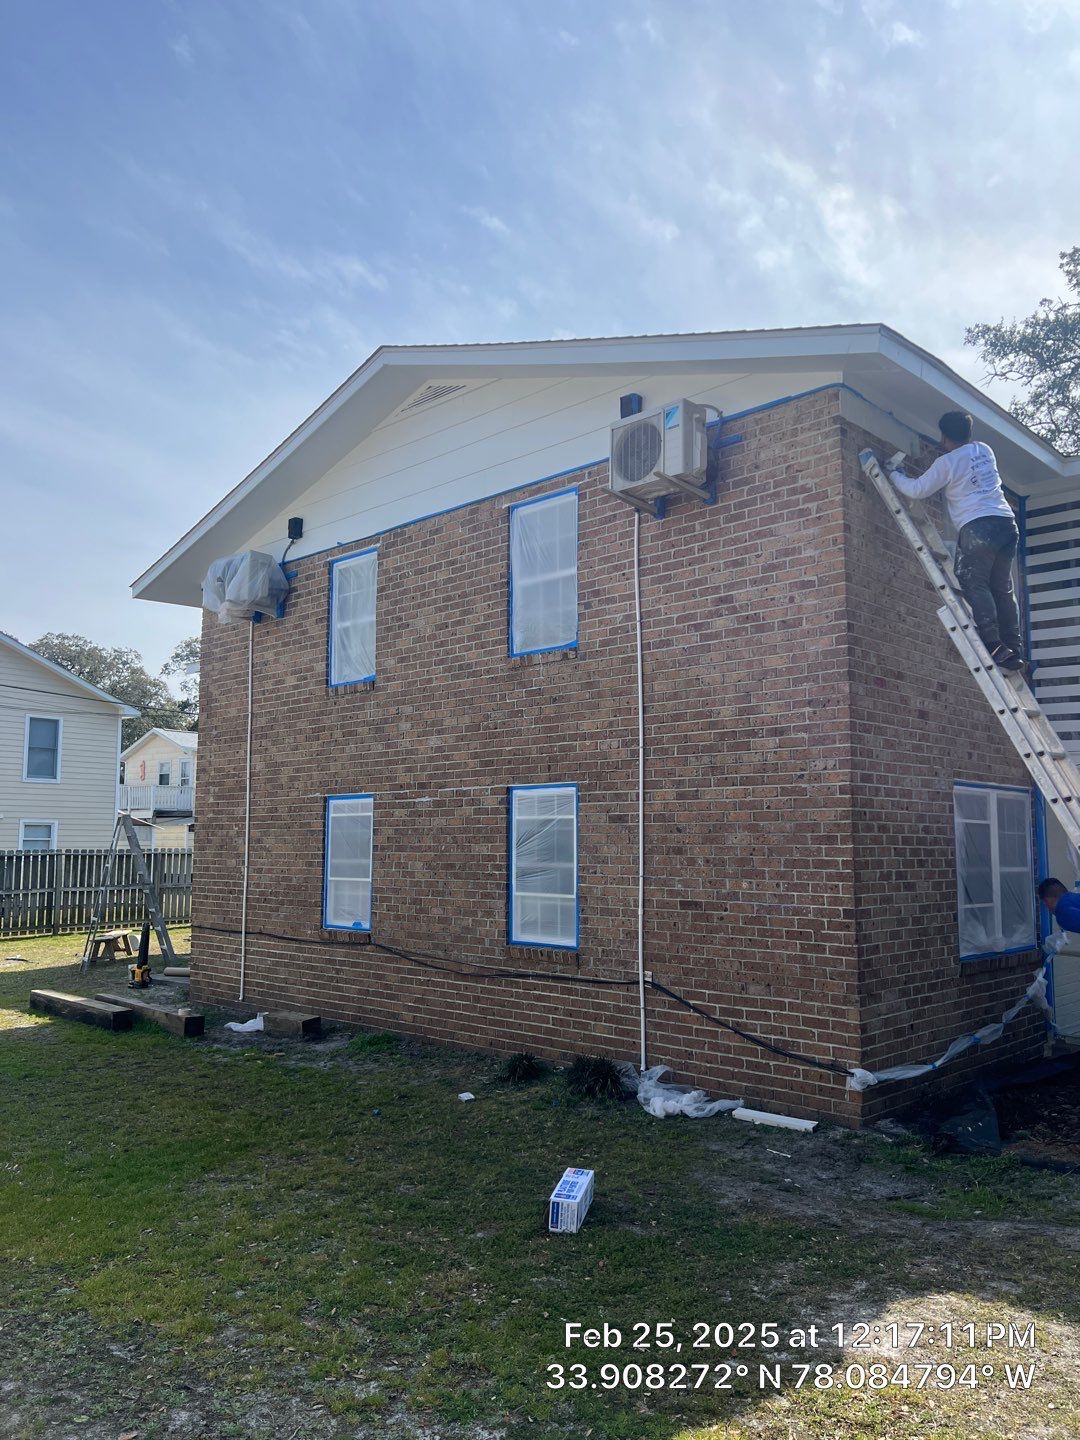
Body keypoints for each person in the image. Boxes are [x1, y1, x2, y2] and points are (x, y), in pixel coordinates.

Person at [889, 411, 1025, 672]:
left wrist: (895, 474)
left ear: (944, 436)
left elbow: (917, 490)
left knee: (973, 581)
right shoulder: (984, 450)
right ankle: (1013, 647)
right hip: (1007, 526)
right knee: (1002, 589)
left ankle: (994, 645)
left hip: (978, 526)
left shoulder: (948, 463)